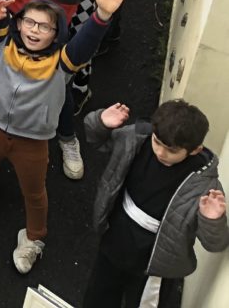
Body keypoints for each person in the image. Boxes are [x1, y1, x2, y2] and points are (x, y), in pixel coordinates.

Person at [0, 0, 131, 274]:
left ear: (56, 33)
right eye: (29, 22)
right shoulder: (5, 41)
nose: (35, 30)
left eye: (45, 26)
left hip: (32, 141)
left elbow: (85, 45)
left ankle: (33, 238)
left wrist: (102, 16)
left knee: (34, 192)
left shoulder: (62, 61)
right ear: (18, 24)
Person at [81, 99, 227, 307]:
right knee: (98, 297)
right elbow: (97, 140)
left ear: (194, 150)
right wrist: (101, 122)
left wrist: (212, 220)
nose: (160, 153)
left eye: (171, 150)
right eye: (157, 142)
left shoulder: (205, 187)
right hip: (115, 241)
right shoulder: (137, 139)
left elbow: (215, 244)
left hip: (154, 265)